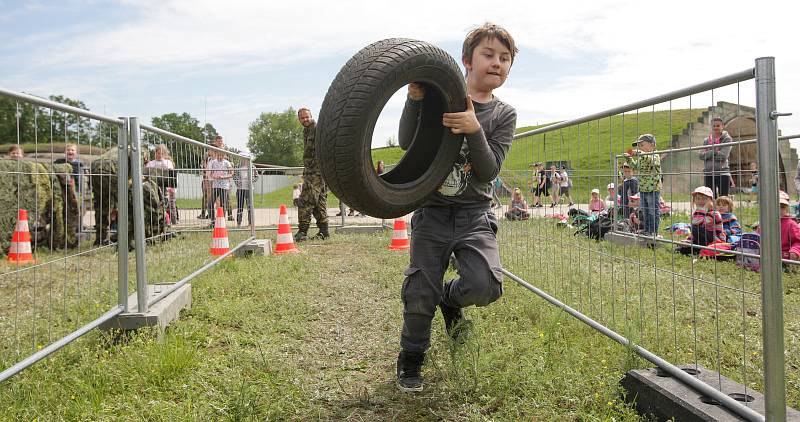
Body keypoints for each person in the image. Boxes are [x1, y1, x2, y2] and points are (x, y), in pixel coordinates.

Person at [395, 23, 518, 392]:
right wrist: (414, 99)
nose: (497, 63)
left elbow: (489, 169)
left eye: (505, 58)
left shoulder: (503, 115)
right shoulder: (440, 99)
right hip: (432, 212)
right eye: (489, 55)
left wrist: (473, 128)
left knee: (486, 285)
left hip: (474, 216)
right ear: (466, 60)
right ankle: (411, 358)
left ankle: (450, 299)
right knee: (419, 292)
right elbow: (406, 143)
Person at [295, 107, 329, 241]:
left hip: (317, 172)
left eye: (306, 117)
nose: (305, 119)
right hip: (311, 171)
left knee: (305, 201)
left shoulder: (317, 128)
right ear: (299, 119)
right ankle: (324, 231)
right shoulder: (306, 130)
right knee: (319, 201)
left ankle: (302, 232)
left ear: (311, 116)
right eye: (302, 118)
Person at [624, 134, 662, 237]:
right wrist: (629, 159)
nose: (639, 147)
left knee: (653, 211)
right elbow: (635, 166)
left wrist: (640, 153)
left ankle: (654, 231)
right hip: (643, 189)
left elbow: (651, 162)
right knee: (645, 211)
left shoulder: (655, 155)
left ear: (652, 145)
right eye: (638, 146)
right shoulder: (641, 157)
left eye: (642, 144)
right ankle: (647, 230)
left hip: (653, 188)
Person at [54, 143, 87, 232]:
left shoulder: (79, 164)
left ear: (76, 152)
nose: (70, 151)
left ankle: (78, 226)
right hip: (62, 190)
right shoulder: (59, 162)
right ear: (65, 152)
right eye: (68, 150)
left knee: (79, 208)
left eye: (72, 150)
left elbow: (82, 178)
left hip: (76, 189)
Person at [682, 186, 725, 252]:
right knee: (680, 249)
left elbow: (697, 225)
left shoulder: (715, 214)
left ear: (711, 201)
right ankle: (696, 247)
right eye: (698, 199)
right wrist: (689, 239)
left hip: (715, 241)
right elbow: (695, 232)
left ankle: (700, 248)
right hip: (702, 239)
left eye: (704, 199)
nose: (700, 201)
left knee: (696, 227)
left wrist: (703, 209)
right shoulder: (697, 213)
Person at [699, 117, 732, 198]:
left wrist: (709, 153)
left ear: (722, 126)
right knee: (710, 198)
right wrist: (715, 151)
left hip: (722, 172)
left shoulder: (727, 139)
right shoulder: (706, 140)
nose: (715, 127)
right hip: (709, 173)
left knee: (723, 199)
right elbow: (701, 155)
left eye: (718, 125)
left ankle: (724, 211)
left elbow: (723, 156)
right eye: (714, 126)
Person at [145, 144, 177, 225]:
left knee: (167, 204)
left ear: (165, 154)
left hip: (165, 187)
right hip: (153, 187)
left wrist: (163, 163)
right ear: (155, 153)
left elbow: (171, 174)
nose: (159, 155)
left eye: (162, 154)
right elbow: (146, 174)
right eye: (158, 153)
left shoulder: (168, 162)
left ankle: (172, 221)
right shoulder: (151, 163)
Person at [205, 148, 234, 227]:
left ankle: (222, 221)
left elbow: (231, 173)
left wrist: (224, 177)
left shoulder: (227, 163)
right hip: (216, 185)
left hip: (224, 186)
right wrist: (213, 176)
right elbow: (210, 173)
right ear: (216, 155)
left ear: (224, 155)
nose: (220, 157)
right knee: (210, 203)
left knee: (223, 204)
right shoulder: (213, 162)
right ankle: (213, 221)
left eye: (221, 155)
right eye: (218, 155)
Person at [232, 156, 258, 227]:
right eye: (243, 157)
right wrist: (238, 182)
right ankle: (239, 223)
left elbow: (256, 176)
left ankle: (250, 223)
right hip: (240, 189)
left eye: (246, 158)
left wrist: (251, 181)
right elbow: (234, 176)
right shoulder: (237, 166)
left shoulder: (252, 166)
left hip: (249, 189)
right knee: (240, 206)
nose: (244, 159)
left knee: (250, 206)